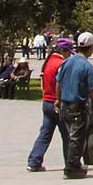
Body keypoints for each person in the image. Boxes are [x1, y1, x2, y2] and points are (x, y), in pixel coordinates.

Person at [55, 31, 93, 178]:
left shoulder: (67, 62)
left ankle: (74, 164)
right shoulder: (87, 67)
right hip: (77, 106)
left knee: (72, 136)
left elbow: (58, 82)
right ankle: (71, 168)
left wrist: (58, 100)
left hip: (65, 106)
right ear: (92, 47)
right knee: (77, 138)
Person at [29, 37, 71, 170]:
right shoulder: (61, 64)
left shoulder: (48, 61)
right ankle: (71, 162)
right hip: (57, 102)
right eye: (69, 52)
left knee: (45, 133)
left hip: (46, 101)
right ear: (64, 51)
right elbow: (63, 84)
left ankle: (34, 161)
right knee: (67, 135)